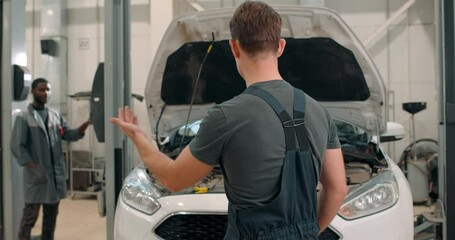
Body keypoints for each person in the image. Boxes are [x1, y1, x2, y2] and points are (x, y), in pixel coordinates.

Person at [111, 1, 347, 239]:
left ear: (234, 47)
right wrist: (307, 232)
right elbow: (337, 188)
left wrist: (140, 139)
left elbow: (173, 179)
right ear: (280, 47)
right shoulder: (319, 112)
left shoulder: (226, 116)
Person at [11, 78, 91, 240]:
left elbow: (69, 134)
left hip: (54, 177)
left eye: (48, 90)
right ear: (33, 91)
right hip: (37, 177)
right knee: (29, 219)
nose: (46, 93)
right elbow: (17, 145)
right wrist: (30, 163)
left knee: (50, 219)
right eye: (41, 90)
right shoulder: (25, 117)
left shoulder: (55, 116)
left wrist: (86, 124)